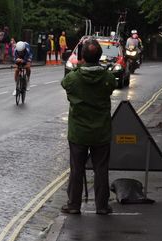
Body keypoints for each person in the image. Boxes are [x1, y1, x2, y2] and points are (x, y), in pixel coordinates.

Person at [60, 38, 117, 215]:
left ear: (81, 56)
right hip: (101, 131)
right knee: (101, 169)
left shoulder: (73, 78)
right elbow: (111, 87)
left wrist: (78, 67)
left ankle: (74, 204)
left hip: (79, 132)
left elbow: (66, 85)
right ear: (100, 56)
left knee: (77, 169)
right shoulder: (107, 77)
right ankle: (101, 206)